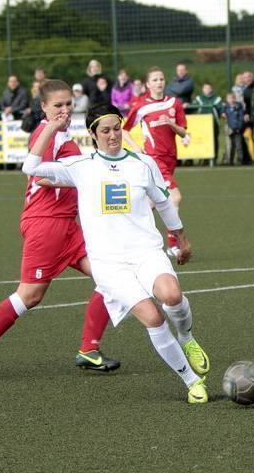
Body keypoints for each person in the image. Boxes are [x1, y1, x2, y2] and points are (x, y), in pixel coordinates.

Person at [21, 103, 211, 404]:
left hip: (146, 251)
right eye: (105, 131)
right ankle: (191, 381)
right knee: (153, 317)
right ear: (93, 135)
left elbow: (164, 203)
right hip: (109, 264)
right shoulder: (80, 166)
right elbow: (30, 168)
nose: (113, 135)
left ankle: (187, 338)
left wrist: (182, 238)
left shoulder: (143, 163)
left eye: (117, 128)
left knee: (172, 296)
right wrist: (51, 127)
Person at [0, 80, 122, 382]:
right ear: (43, 107)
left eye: (68, 104)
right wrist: (86, 179)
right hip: (46, 223)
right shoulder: (46, 133)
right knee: (30, 295)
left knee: (112, 276)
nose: (64, 110)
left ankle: (89, 349)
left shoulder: (62, 135)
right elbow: (41, 177)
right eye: (57, 105)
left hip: (67, 225)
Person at [123, 67, 189, 258]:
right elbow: (125, 129)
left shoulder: (174, 103)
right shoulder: (141, 106)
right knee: (174, 197)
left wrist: (171, 123)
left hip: (170, 157)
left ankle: (128, 236)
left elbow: (183, 132)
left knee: (149, 203)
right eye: (155, 80)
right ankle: (173, 245)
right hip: (154, 158)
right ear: (148, 84)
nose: (159, 82)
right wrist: (135, 147)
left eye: (161, 79)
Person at [193, 83, 223, 164]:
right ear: (202, 89)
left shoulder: (217, 99)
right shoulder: (199, 99)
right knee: (202, 141)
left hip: (214, 124)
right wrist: (186, 105)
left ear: (212, 89)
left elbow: (222, 109)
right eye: (205, 88)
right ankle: (203, 159)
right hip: (202, 125)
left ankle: (213, 158)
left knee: (214, 141)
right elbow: (192, 107)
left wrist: (223, 113)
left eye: (209, 88)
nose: (207, 89)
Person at [220, 91, 245, 166]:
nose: (231, 100)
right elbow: (221, 112)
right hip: (229, 129)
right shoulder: (225, 107)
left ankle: (240, 160)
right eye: (229, 98)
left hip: (238, 129)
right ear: (227, 99)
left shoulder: (239, 107)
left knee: (239, 145)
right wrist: (222, 113)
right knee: (229, 145)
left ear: (235, 98)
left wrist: (239, 127)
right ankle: (229, 160)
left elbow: (241, 118)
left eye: (233, 98)